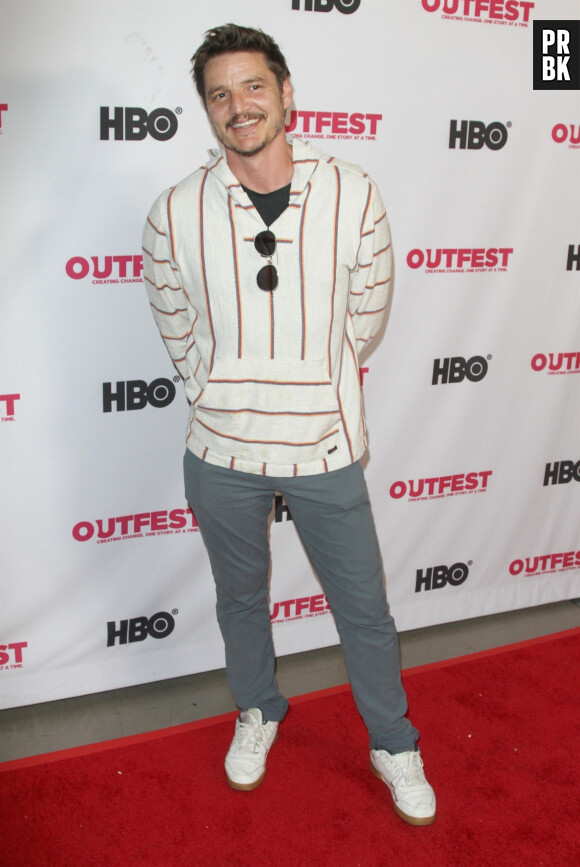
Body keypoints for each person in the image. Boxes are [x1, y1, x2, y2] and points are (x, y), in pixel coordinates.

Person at [142, 23, 436, 826]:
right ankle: (259, 708)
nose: (240, 106)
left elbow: (365, 317)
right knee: (239, 598)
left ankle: (392, 738)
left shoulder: (353, 190)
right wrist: (223, 389)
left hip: (322, 446)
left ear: (286, 91)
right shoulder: (175, 211)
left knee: (363, 609)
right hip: (221, 451)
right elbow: (175, 323)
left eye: (253, 86)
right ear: (207, 109)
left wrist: (313, 384)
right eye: (220, 93)